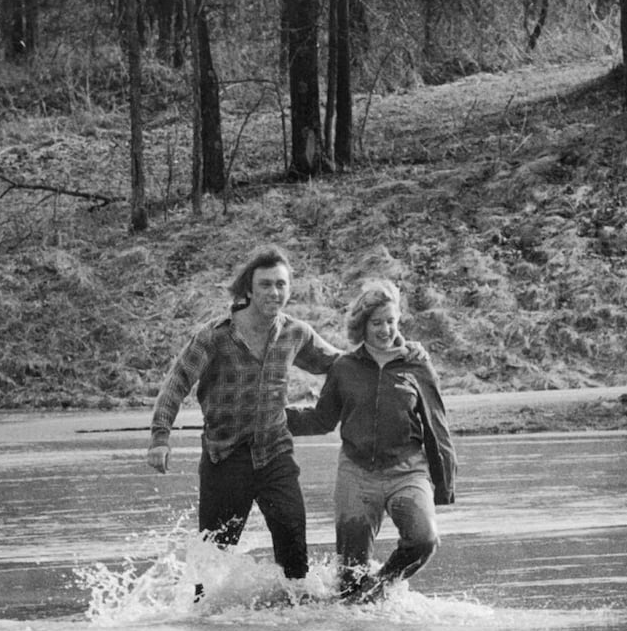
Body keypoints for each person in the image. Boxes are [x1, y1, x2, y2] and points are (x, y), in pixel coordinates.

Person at [146, 245, 342, 586]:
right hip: (225, 458)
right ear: (248, 289)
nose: (274, 292)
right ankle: (202, 628)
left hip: (275, 454)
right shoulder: (215, 337)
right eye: (265, 284)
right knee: (211, 564)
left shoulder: (295, 333)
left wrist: (393, 352)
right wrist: (160, 438)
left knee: (295, 555)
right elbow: (176, 383)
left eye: (281, 284)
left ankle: (295, 622)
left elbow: (340, 364)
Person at [287, 279, 456, 602]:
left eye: (391, 321)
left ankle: (378, 590)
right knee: (349, 576)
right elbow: (322, 419)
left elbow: (437, 425)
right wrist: (276, 417)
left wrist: (444, 485)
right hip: (356, 474)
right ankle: (353, 618)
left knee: (424, 539)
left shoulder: (416, 364)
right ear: (361, 325)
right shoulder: (344, 367)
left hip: (406, 472)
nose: (385, 329)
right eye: (376, 322)